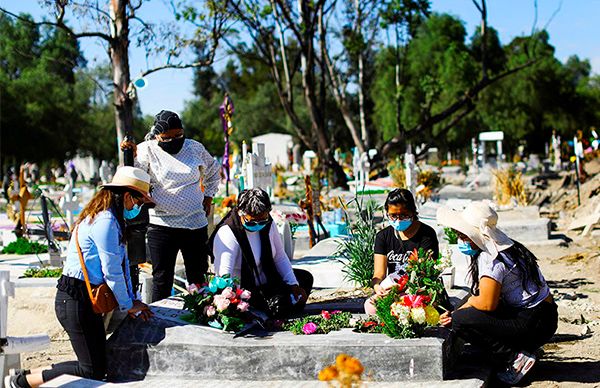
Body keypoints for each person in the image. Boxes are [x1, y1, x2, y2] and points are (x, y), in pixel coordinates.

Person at [5, 167, 154, 388]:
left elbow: (121, 267)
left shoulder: (109, 218)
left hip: (84, 299)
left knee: (96, 364)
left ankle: (26, 374)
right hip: (75, 299)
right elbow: (111, 271)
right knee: (92, 370)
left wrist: (131, 299)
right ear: (126, 195)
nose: (138, 208)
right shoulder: (105, 221)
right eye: (138, 202)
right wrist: (128, 304)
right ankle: (22, 382)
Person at [436, 202, 557, 385]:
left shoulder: (490, 257)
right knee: (464, 314)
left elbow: (486, 303)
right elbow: (481, 294)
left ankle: (515, 358)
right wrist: (459, 308)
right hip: (544, 315)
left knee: (462, 321)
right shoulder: (506, 244)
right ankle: (525, 348)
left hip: (534, 321)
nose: (460, 240)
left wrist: (457, 314)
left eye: (463, 236)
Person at [121, 110, 220, 302]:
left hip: (194, 224)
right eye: (166, 138)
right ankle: (161, 320)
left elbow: (214, 171)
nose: (174, 140)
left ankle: (202, 315)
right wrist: (130, 155)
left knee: (198, 277)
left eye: (178, 135)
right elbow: (134, 176)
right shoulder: (147, 150)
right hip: (162, 226)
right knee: (162, 279)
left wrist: (208, 196)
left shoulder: (194, 148)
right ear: (157, 135)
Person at [210, 188, 313, 317]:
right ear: (241, 213)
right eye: (252, 221)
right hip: (244, 289)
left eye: (262, 220)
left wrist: (293, 284)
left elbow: (280, 256)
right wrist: (227, 302)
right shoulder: (228, 233)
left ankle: (283, 308)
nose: (258, 225)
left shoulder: (269, 224)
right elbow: (225, 276)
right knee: (278, 305)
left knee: (305, 279)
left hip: (267, 282)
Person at [364, 188, 440, 315]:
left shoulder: (427, 235)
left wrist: (403, 288)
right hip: (392, 289)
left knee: (412, 309)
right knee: (371, 306)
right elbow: (379, 273)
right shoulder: (383, 236)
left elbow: (426, 274)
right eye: (393, 216)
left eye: (403, 215)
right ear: (387, 213)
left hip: (418, 289)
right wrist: (378, 287)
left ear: (413, 212)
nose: (398, 220)